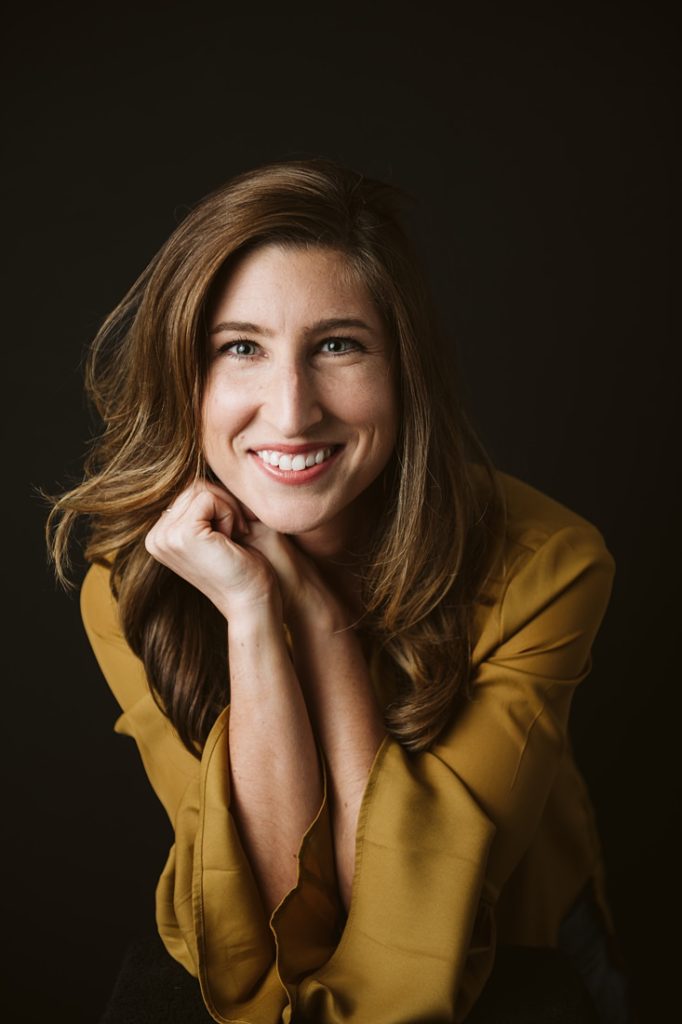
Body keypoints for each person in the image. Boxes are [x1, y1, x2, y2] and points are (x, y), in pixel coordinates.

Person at [47, 158, 631, 1023]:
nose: (291, 411)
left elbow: (407, 936)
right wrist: (251, 613)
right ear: (186, 377)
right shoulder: (135, 585)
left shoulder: (548, 566)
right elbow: (288, 928)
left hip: (528, 952)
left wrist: (315, 623)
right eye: (240, 347)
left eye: (337, 346)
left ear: (404, 370)